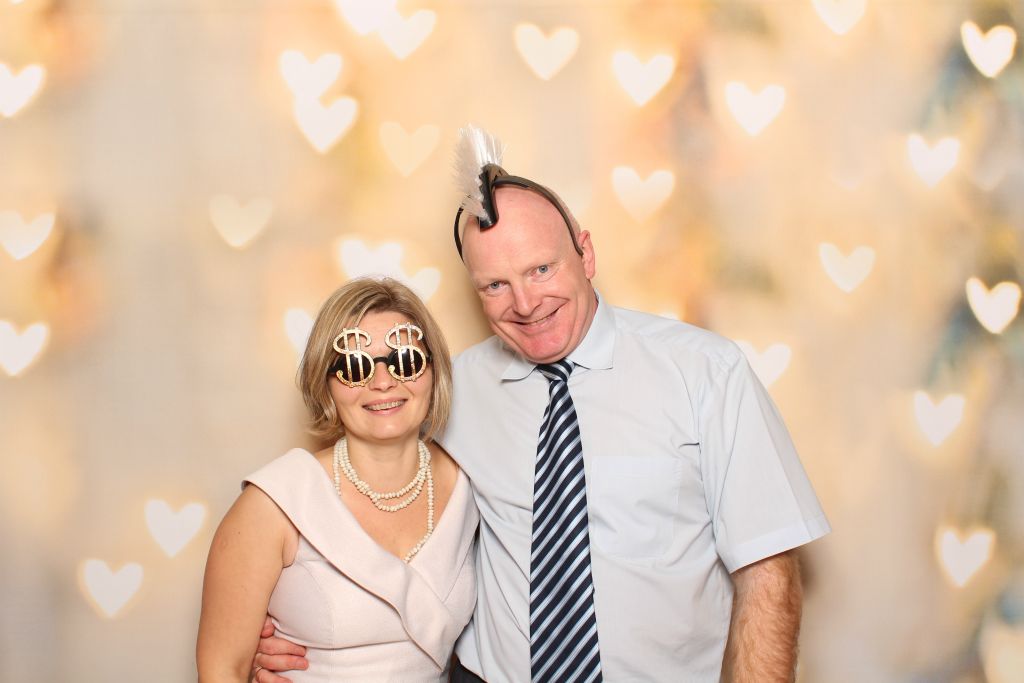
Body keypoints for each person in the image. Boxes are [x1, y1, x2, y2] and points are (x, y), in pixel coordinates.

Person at [256, 127, 830, 682]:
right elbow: (378, 504)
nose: (526, 303)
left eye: (541, 269)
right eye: (495, 285)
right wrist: (296, 630)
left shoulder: (705, 372)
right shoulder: (450, 388)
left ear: (585, 252)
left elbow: (768, 570)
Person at [196, 277, 477, 682]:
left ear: (433, 370)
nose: (383, 382)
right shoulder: (273, 504)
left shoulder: (473, 484)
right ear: (325, 383)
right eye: (354, 366)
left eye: (405, 360)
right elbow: (221, 669)